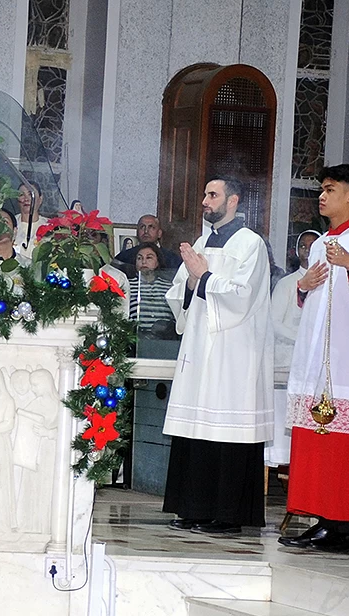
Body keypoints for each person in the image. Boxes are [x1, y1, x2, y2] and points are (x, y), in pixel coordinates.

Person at [279, 165, 349, 552]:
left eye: (330, 189)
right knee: (315, 445)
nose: (322, 196)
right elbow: (309, 297)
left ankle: (348, 524)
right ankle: (322, 518)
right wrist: (303, 286)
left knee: (343, 446)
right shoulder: (318, 242)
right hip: (315, 359)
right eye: (321, 190)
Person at [163, 178, 273, 534]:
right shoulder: (200, 242)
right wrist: (194, 280)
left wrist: (204, 276)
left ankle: (227, 515)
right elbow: (179, 290)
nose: (205, 201)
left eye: (213, 195)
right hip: (199, 347)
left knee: (227, 428)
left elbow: (244, 295)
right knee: (197, 427)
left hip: (234, 351)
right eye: (205, 194)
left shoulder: (251, 244)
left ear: (234, 200)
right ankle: (194, 507)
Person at [265, 229, 317, 469]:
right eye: (303, 246)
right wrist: (303, 339)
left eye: (313, 245)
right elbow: (273, 322)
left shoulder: (330, 283)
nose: (307, 250)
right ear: (297, 251)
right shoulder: (287, 283)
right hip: (286, 360)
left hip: (315, 365)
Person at [127, 243, 174, 336]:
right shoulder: (127, 285)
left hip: (165, 342)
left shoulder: (169, 287)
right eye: (139, 258)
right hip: (135, 341)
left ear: (157, 262)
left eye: (149, 258)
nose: (143, 262)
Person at [116, 214, 181, 273]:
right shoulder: (123, 258)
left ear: (159, 233)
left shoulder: (173, 259)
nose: (146, 231)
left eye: (151, 227)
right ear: (137, 232)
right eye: (142, 227)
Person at [12, 182, 44, 259]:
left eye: (30, 194)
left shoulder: (49, 226)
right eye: (21, 195)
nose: (26, 199)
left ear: (40, 199)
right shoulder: (10, 224)